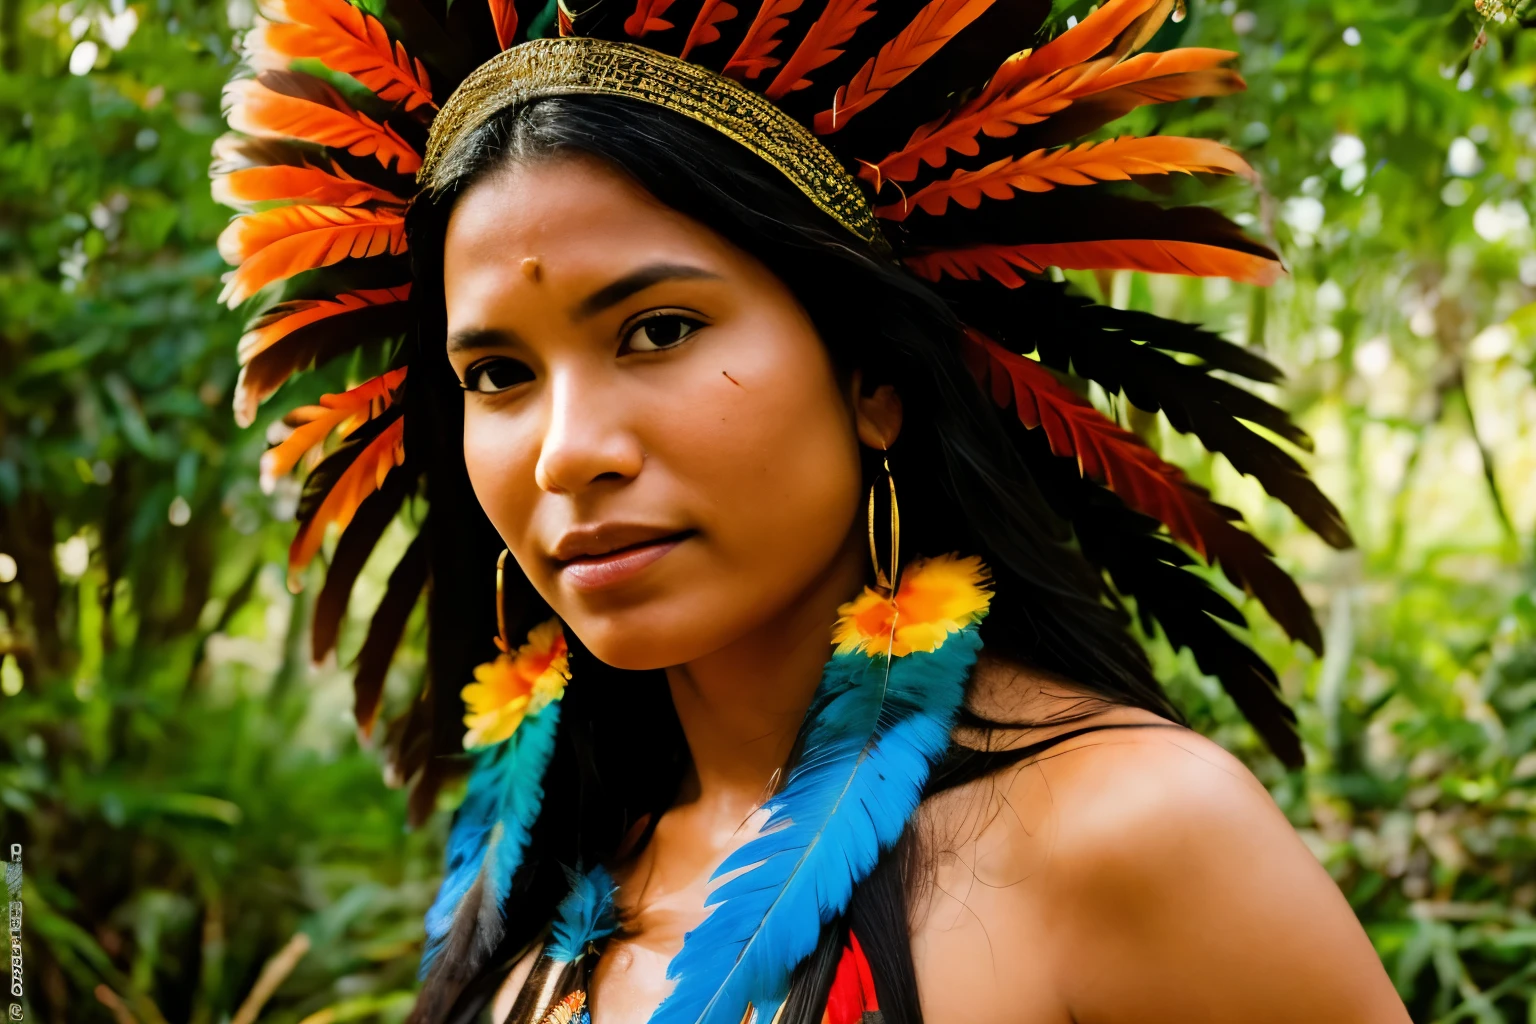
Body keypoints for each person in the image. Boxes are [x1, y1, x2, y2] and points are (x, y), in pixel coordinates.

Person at [212, 0, 1411, 1021]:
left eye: (658, 330)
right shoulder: (552, 888)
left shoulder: (1132, 833)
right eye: (498, 375)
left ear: (872, 383)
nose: (566, 454)